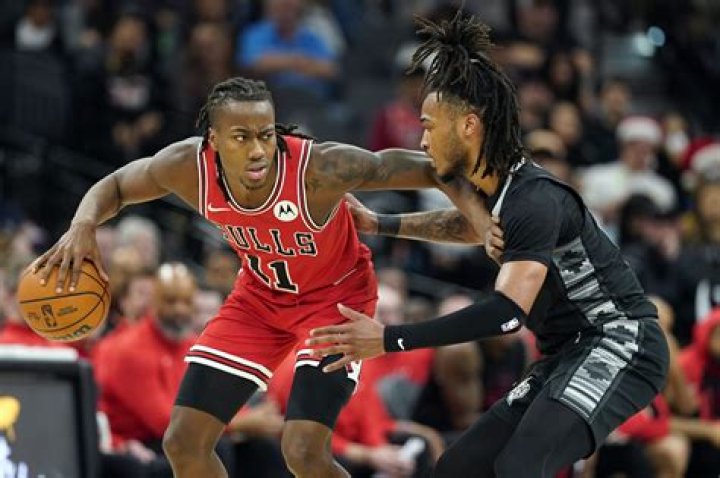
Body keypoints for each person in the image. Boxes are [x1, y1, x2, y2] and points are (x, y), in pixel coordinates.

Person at [30, 76, 488, 478]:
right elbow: (115, 185)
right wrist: (82, 225)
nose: (257, 150)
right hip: (260, 298)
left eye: (266, 135)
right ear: (213, 140)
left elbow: (433, 168)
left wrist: (482, 221)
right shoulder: (188, 167)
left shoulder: (319, 169)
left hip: (336, 301)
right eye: (241, 136)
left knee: (303, 451)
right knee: (183, 442)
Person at [307, 12, 670, 478]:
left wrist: (388, 338)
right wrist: (380, 223)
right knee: (458, 467)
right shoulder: (496, 193)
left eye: (429, 126)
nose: (423, 140)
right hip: (565, 351)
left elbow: (506, 314)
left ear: (469, 126)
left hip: (618, 341)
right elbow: (471, 226)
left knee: (519, 467)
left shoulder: (533, 199)